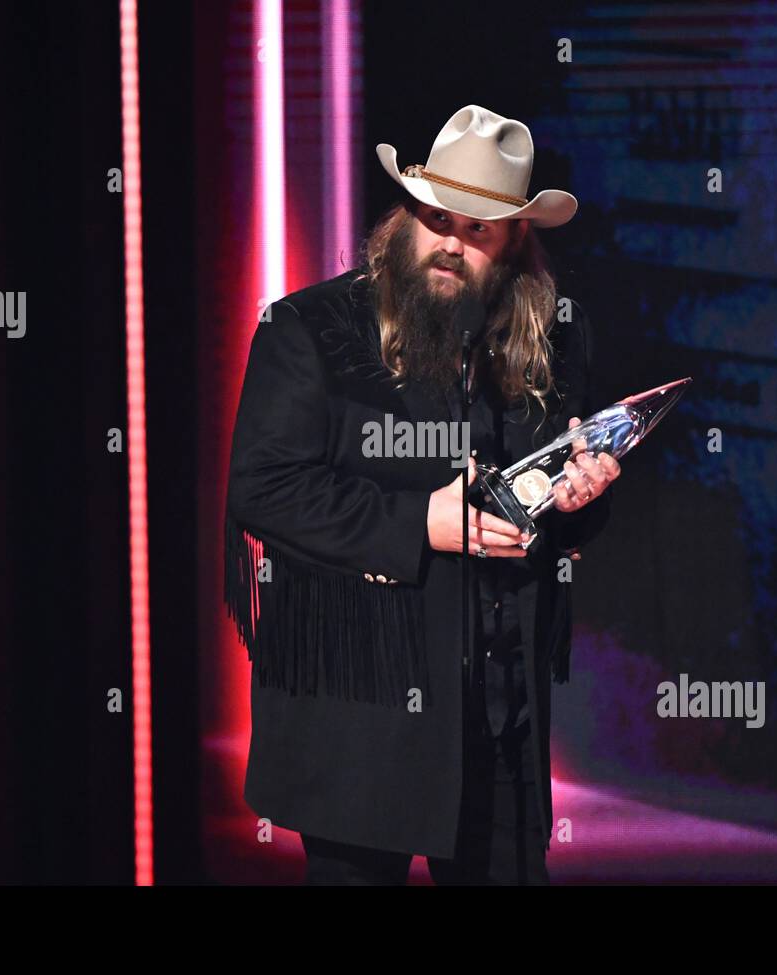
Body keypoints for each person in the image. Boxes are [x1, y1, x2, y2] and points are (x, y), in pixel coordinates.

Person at [224, 105, 617, 884]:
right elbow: (262, 488)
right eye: (438, 217)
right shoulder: (311, 327)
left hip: (498, 721)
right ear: (405, 215)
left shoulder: (548, 339)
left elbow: (543, 504)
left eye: (478, 230)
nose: (451, 242)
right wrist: (423, 522)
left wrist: (582, 496)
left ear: (512, 243)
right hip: (361, 724)